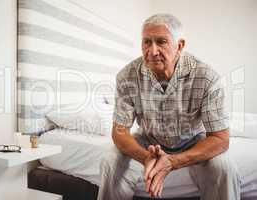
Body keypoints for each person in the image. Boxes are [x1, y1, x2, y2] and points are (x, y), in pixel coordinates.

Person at [97, 14, 241, 200]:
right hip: (147, 140)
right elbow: (120, 131)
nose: (152, 50)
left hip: (193, 141)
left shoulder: (207, 77)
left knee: (224, 169)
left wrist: (172, 162)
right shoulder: (126, 76)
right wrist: (146, 157)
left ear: (179, 45)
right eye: (147, 42)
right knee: (109, 162)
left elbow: (220, 139)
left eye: (161, 42)